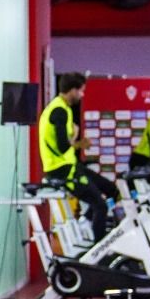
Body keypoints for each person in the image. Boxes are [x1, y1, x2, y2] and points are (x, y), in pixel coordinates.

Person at [39, 73, 120, 240]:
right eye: (81, 91)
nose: (82, 95)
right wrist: (77, 139)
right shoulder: (59, 110)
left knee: (112, 190)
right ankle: (100, 251)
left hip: (70, 165)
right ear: (72, 90)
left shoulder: (63, 107)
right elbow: (62, 147)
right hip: (61, 169)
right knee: (101, 206)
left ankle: (86, 220)